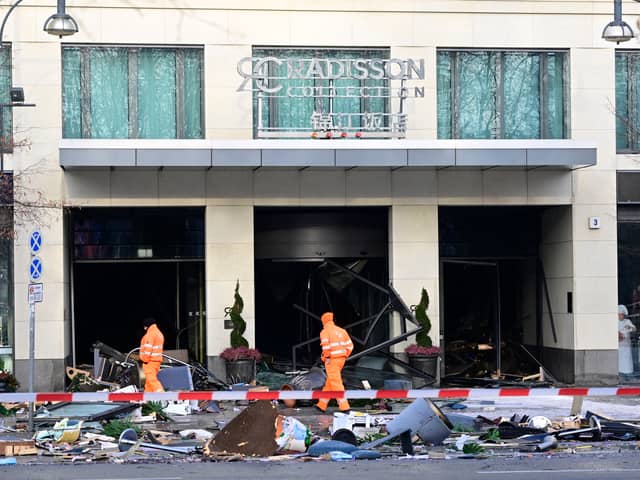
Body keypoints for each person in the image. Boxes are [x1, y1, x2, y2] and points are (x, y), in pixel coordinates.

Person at [316, 312, 353, 413]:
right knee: (330, 382)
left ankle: (344, 406)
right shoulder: (342, 331)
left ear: (324, 321)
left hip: (331, 360)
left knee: (336, 383)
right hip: (341, 360)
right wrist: (344, 355)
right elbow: (350, 346)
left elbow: (326, 346)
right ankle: (321, 404)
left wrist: (325, 357)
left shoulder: (325, 332)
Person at [139, 317, 165, 392]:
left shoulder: (150, 335)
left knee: (152, 381)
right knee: (149, 384)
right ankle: (148, 399)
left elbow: (148, 350)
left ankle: (163, 397)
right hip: (156, 362)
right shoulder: (159, 334)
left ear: (147, 326)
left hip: (149, 362)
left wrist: (145, 360)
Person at [618, 305, 636, 376]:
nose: (620, 316)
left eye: (622, 315)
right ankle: (620, 372)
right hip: (618, 344)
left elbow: (634, 328)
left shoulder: (627, 321)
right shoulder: (614, 321)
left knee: (626, 359)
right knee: (620, 359)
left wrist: (629, 327)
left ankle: (628, 373)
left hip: (626, 344)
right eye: (619, 315)